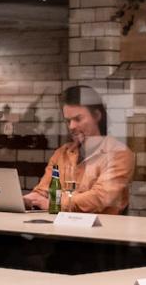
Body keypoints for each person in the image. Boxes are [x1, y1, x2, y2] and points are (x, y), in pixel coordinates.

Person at [22, 84, 135, 214]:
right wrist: (24, 200)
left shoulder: (119, 154)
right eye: (68, 121)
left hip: (100, 226)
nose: (71, 126)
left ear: (97, 115)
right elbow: (44, 191)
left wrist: (55, 203)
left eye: (77, 119)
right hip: (60, 225)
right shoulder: (61, 153)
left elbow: (99, 198)